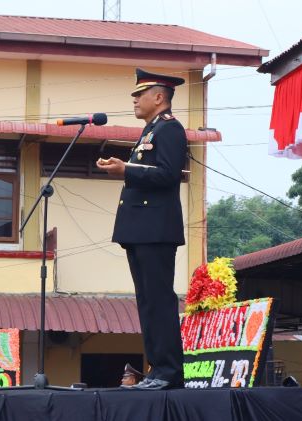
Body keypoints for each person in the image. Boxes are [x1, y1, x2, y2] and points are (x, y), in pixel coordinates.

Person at [97, 68, 187, 391]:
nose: (134, 98)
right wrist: (126, 169)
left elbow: (167, 175)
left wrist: (127, 170)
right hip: (141, 230)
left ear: (159, 97)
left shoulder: (170, 130)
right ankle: (157, 369)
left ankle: (169, 372)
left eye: (141, 93)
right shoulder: (150, 131)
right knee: (147, 302)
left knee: (159, 300)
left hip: (156, 229)